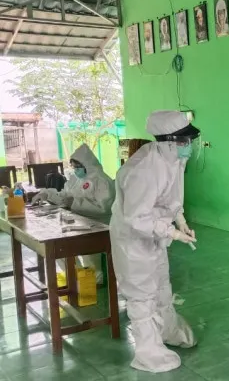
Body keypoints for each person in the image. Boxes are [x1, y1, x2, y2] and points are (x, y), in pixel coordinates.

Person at [110, 110, 200, 373]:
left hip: (154, 237)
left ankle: (168, 331)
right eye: (185, 142)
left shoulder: (171, 159)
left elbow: (171, 197)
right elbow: (136, 218)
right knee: (142, 294)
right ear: (170, 141)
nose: (189, 146)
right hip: (133, 241)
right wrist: (170, 232)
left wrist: (179, 219)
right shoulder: (144, 168)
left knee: (161, 285)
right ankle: (147, 352)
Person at [32, 143, 115, 285]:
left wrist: (75, 203)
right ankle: (76, 277)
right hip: (78, 222)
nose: (76, 170)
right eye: (74, 167)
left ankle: (95, 279)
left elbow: (104, 208)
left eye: (78, 166)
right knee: (59, 248)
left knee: (88, 250)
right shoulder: (75, 180)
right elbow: (64, 196)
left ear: (87, 164)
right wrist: (47, 194)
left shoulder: (101, 181)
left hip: (99, 224)